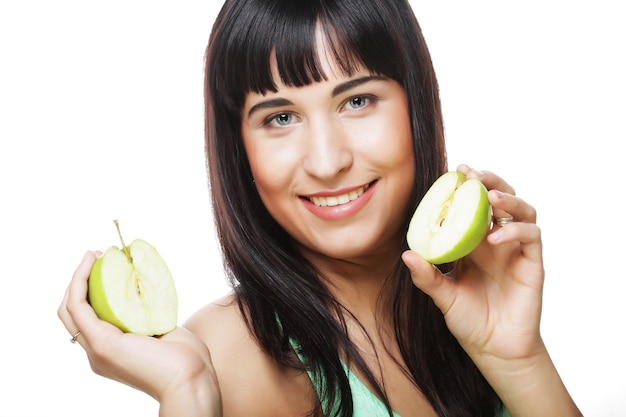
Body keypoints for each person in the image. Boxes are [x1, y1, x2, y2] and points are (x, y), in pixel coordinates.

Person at [58, 0, 583, 416]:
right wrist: (188, 392)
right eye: (280, 117)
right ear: (238, 147)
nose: (328, 161)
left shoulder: (474, 303)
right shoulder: (225, 359)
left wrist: (517, 361)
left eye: (356, 101)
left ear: (415, 104)